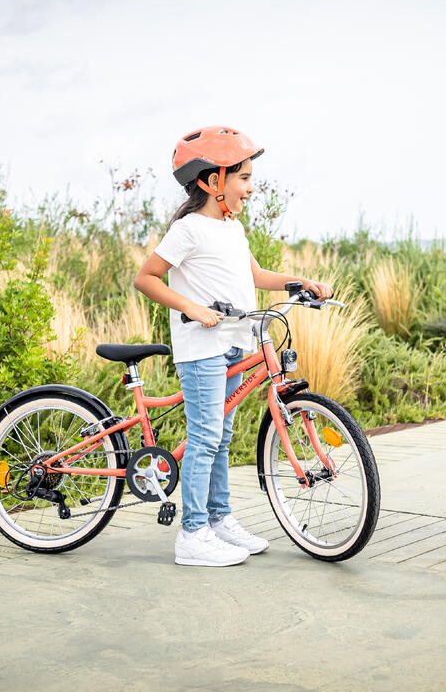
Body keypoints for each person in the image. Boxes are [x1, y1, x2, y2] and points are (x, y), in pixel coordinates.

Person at [135, 126, 333, 566]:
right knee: (205, 438)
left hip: (233, 346)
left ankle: (219, 520)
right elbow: (145, 277)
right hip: (202, 348)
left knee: (220, 438)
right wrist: (195, 308)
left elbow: (257, 277)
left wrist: (302, 282)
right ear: (211, 181)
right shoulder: (189, 229)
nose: (250, 186)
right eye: (242, 177)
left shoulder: (231, 227)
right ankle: (191, 535)